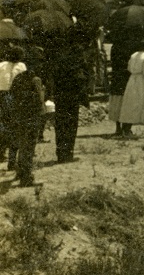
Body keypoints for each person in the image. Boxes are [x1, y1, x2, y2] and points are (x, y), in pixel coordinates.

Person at [52, 24, 92, 164]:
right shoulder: (78, 55)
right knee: (71, 123)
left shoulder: (59, 53)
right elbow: (82, 75)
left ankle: (60, 153)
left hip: (60, 93)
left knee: (61, 123)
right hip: (73, 93)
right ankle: (68, 153)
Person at [8, 58, 44, 187]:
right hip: (31, 117)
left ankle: (20, 172)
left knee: (21, 145)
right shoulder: (36, 80)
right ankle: (26, 178)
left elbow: (11, 94)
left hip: (18, 116)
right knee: (29, 147)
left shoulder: (18, 79)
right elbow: (40, 101)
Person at [118, 37, 144, 137]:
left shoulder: (134, 55)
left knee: (130, 104)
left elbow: (129, 68)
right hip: (143, 83)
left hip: (132, 81)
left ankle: (126, 129)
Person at [0, 46, 28, 169]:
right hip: (14, 97)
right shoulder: (22, 66)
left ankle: (2, 153)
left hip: (2, 95)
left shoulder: (2, 65)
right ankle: (11, 159)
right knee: (15, 128)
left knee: (4, 126)